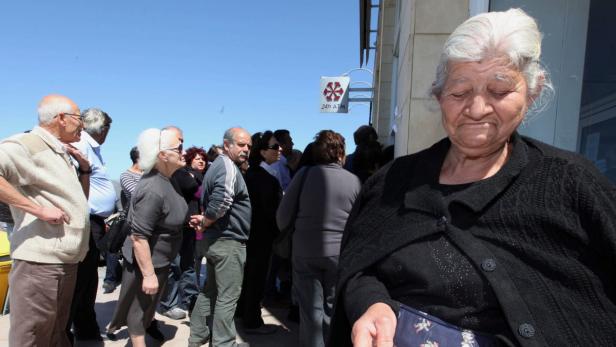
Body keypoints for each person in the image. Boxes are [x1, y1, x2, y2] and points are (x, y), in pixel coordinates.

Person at [329, 8, 616, 347]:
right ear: (439, 97)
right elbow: (360, 265)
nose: (477, 109)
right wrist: (372, 303)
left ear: (532, 94)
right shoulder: (392, 183)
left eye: (499, 90)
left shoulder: (573, 185)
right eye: (460, 93)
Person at [0, 94, 91, 347]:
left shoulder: (59, 151)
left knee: (55, 334)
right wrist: (37, 210)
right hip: (39, 264)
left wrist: (84, 170)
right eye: (79, 118)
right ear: (61, 118)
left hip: (62, 261)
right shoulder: (28, 144)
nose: (82, 124)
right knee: (33, 335)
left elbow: (77, 202)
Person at [277, 130, 361, 347]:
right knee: (333, 310)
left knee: (310, 313)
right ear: (341, 153)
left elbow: (282, 217)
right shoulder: (354, 182)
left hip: (305, 251)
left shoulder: (303, 176)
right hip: (339, 255)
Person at [107, 127, 188, 347]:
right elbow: (139, 237)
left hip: (162, 259)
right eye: (179, 147)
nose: (184, 151)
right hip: (147, 263)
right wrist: (149, 274)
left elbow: (168, 215)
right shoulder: (153, 188)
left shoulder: (169, 180)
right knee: (138, 312)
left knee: (147, 309)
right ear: (163, 155)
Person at [188, 127, 252, 347]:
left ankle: (197, 338)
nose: (246, 150)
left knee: (210, 292)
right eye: (241, 145)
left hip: (217, 241)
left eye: (249, 146)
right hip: (228, 242)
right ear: (227, 145)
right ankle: (224, 343)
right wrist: (206, 221)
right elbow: (222, 201)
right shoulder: (227, 167)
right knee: (228, 296)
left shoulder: (217, 167)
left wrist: (205, 221)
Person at [66, 107, 116, 342]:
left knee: (88, 279)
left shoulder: (93, 148)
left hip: (94, 221)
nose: (108, 134)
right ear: (101, 128)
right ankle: (74, 329)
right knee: (82, 279)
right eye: (107, 128)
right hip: (85, 220)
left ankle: (86, 327)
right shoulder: (82, 146)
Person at [237, 131, 283, 334]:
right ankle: (252, 321)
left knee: (250, 277)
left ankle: (243, 312)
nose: (279, 149)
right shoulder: (262, 177)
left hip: (254, 235)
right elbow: (267, 212)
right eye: (275, 147)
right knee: (256, 277)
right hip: (260, 236)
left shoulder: (257, 174)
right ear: (263, 152)